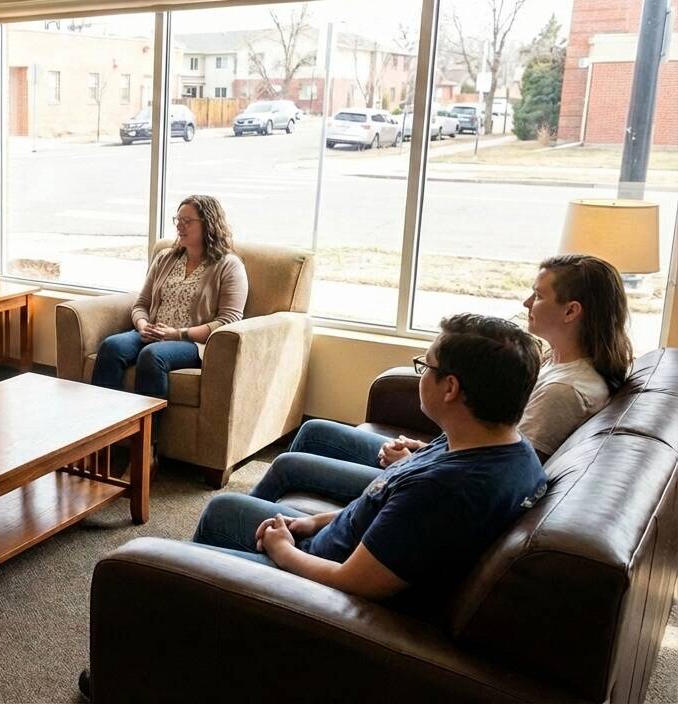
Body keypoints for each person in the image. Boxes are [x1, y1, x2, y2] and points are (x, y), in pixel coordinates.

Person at [194, 313, 547, 609]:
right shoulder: (499, 446)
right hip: (325, 544)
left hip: (315, 585)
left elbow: (352, 582)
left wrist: (282, 550)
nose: (421, 374)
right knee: (222, 509)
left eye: (425, 366)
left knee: (165, 563)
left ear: (450, 388)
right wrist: (312, 521)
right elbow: (384, 507)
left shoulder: (444, 491)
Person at [251, 254, 631, 504]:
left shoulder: (565, 391)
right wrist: (421, 450)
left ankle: (237, 552)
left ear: (571, 311)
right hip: (440, 461)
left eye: (538, 295)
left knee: (289, 466)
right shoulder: (558, 364)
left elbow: (499, 470)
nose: (526, 303)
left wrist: (409, 463)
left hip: (433, 482)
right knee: (315, 431)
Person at [89, 194, 247, 414]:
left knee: (152, 355)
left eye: (187, 221)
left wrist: (178, 334)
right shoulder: (165, 258)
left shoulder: (229, 266)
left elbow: (228, 321)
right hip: (152, 332)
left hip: (192, 342)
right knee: (111, 347)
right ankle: (104, 424)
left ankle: (148, 433)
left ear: (208, 224)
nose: (180, 226)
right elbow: (141, 304)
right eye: (178, 220)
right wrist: (143, 325)